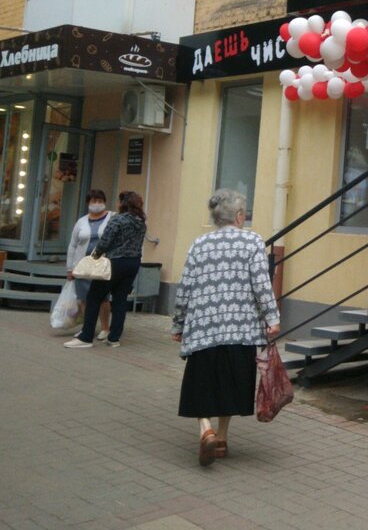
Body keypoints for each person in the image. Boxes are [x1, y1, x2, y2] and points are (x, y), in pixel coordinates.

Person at [171, 189, 281, 466]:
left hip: (203, 327)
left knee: (201, 382)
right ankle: (221, 438)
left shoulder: (199, 244)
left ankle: (205, 429)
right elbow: (261, 284)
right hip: (240, 329)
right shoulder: (252, 241)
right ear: (239, 216)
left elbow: (185, 288)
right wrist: (272, 318)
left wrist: (179, 323)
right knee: (231, 383)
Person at [64, 191, 147, 349]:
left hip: (114, 262)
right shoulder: (140, 222)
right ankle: (114, 337)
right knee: (120, 300)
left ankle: (86, 337)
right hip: (133, 263)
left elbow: (105, 241)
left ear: (122, 203)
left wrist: (95, 256)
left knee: (94, 297)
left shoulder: (117, 220)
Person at [65, 189, 112, 339]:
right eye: (93, 201)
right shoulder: (81, 221)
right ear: (88, 203)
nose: (97, 204)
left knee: (103, 298)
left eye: (100, 201)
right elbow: (73, 245)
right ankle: (87, 328)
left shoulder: (112, 218)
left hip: (101, 266)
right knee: (84, 298)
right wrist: (70, 268)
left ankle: (105, 328)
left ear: (104, 202)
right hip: (82, 266)